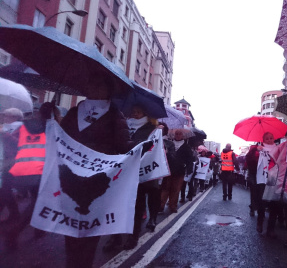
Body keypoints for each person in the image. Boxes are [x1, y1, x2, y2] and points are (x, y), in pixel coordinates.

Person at [60, 73, 132, 268]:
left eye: (99, 85)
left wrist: (140, 147)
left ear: (108, 91)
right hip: (70, 178)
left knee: (90, 229)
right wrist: (52, 122)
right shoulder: (74, 112)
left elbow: (124, 147)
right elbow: (61, 138)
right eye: (91, 84)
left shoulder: (115, 115)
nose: (94, 89)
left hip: (97, 181)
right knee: (70, 226)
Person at [103, 105, 158, 251]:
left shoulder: (151, 129)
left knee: (136, 206)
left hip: (137, 174)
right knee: (116, 205)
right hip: (119, 172)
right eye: (133, 111)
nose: (135, 114)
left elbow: (148, 148)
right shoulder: (124, 125)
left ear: (145, 113)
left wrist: (130, 147)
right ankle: (115, 237)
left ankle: (133, 236)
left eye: (138, 112)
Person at [4, 102, 55, 250]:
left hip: (20, 168)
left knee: (38, 200)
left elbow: (12, 142)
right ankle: (14, 231)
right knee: (38, 203)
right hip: (40, 170)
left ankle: (40, 230)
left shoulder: (23, 126)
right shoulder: (51, 129)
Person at [159, 130, 194, 213]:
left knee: (176, 189)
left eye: (180, 134)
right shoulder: (168, 144)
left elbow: (190, 159)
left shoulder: (187, 147)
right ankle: (161, 206)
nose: (178, 135)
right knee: (165, 189)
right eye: (176, 134)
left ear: (183, 136)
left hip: (179, 171)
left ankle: (173, 206)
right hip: (168, 170)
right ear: (174, 135)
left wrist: (189, 169)